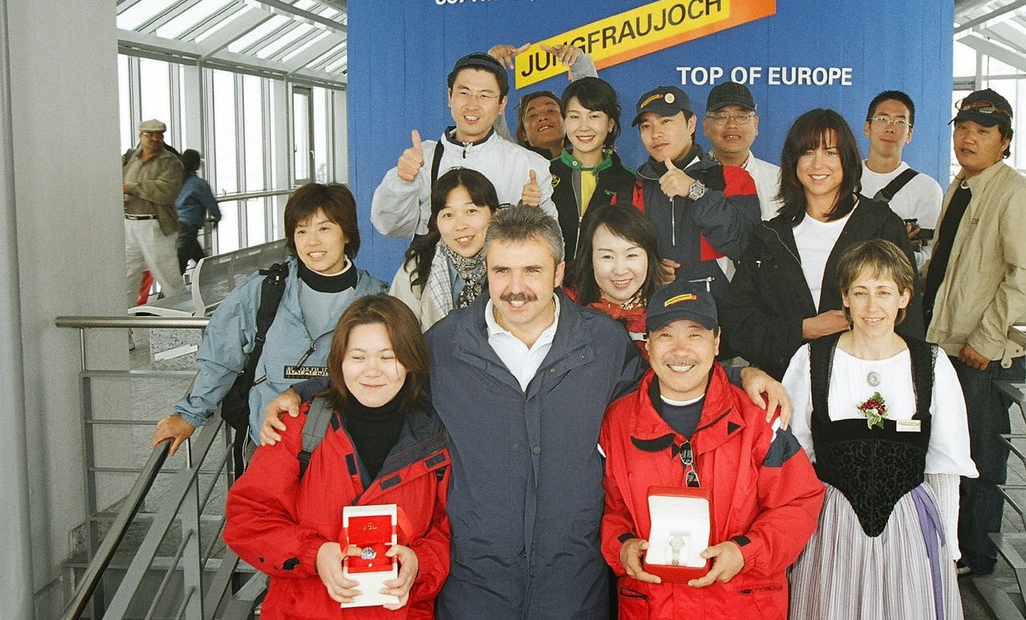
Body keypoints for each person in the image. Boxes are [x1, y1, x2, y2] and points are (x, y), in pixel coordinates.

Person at [262, 205, 791, 620]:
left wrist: (746, 370)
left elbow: (677, 373)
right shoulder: (446, 346)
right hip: (474, 586)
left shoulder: (603, 344)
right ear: (485, 270)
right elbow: (380, 379)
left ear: (560, 271)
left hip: (573, 587)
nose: (516, 287)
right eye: (502, 270)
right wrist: (305, 395)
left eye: (532, 270)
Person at [599, 280, 825, 619]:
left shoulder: (758, 417)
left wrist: (746, 553)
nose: (680, 350)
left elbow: (799, 501)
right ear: (647, 345)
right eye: (665, 335)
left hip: (742, 605)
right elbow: (610, 511)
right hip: (653, 606)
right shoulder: (618, 422)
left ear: (716, 341)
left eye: (695, 334)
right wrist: (623, 548)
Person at [782, 239, 976, 619]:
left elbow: (944, 466)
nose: (872, 307)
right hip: (829, 527)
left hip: (909, 527)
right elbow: (793, 458)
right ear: (845, 298)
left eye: (884, 292)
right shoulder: (812, 360)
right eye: (861, 292)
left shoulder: (931, 364)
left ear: (904, 297)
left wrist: (949, 548)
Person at [224, 294, 450, 618]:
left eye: (388, 357)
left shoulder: (436, 439)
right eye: (358, 357)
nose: (372, 371)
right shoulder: (301, 427)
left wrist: (420, 563)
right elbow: (246, 518)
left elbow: (450, 530)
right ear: (339, 362)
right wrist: (314, 555)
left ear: (410, 361)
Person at [151, 183, 388, 456]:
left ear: (346, 234)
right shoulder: (265, 290)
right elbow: (222, 355)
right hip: (270, 443)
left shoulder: (375, 297)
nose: (312, 242)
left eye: (324, 228)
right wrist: (190, 414)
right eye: (301, 231)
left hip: (345, 450)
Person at [922, 89, 1026, 577]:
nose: (968, 138)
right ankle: (950, 545)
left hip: (981, 354)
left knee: (982, 456)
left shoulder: (1015, 194)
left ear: (1005, 142)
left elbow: (1024, 275)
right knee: (947, 449)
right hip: (946, 345)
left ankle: (977, 554)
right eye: (962, 128)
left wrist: (987, 340)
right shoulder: (962, 186)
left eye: (983, 132)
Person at [722, 108, 923, 380]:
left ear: (848, 159)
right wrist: (804, 329)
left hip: (868, 388)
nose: (818, 164)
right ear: (793, 162)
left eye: (830, 152)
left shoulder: (882, 226)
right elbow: (740, 326)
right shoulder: (769, 236)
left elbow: (909, 318)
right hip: (786, 391)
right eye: (807, 152)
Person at [370, 52, 556, 242]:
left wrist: (533, 212)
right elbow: (391, 227)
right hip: (431, 271)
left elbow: (552, 245)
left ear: (502, 104)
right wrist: (403, 182)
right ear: (450, 97)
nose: (472, 105)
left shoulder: (529, 165)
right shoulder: (424, 157)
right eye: (464, 93)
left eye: (485, 95)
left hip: (499, 271)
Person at [627, 85, 760, 299]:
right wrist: (647, 269)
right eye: (646, 126)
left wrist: (695, 191)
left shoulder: (732, 178)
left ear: (691, 124)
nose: (656, 133)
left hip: (721, 318)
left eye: (666, 121)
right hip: (655, 320)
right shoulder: (630, 189)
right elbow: (615, 260)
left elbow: (745, 246)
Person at [389, 168, 499, 330]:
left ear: (495, 215)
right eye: (448, 215)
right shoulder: (419, 267)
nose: (460, 225)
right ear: (436, 221)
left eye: (471, 211)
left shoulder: (511, 264)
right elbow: (399, 335)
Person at [551, 75, 637, 263]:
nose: (584, 127)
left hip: (607, 286)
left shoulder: (629, 180)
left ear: (610, 124)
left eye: (594, 116)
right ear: (564, 121)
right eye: (574, 116)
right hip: (551, 287)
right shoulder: (543, 173)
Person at [858, 90, 944, 272]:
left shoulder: (927, 189)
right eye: (882, 119)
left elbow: (928, 258)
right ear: (867, 128)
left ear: (909, 134)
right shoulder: (843, 179)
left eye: (900, 122)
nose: (890, 128)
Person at [566, 203, 665, 354]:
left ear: (649, 258)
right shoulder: (564, 309)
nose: (620, 270)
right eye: (607, 256)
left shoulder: (668, 313)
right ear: (590, 259)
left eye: (631, 255)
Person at [489, 41, 598, 158]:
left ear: (568, 123)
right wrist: (490, 67)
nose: (543, 117)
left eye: (551, 111)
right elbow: (490, 123)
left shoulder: (591, 159)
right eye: (532, 115)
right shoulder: (512, 165)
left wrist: (578, 62)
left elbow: (591, 107)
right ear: (524, 133)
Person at [122, 118, 185, 306]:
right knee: (127, 277)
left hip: (155, 225)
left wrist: (132, 188)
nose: (154, 139)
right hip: (129, 224)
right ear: (140, 136)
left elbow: (166, 191)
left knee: (167, 275)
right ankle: (123, 322)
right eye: (149, 134)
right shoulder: (131, 159)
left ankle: (183, 321)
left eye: (159, 135)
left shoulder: (170, 162)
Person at [703, 80, 781, 220]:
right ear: (706, 126)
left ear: (756, 124)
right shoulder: (688, 179)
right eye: (722, 117)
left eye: (741, 116)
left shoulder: (780, 181)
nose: (732, 124)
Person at [175, 148, 222, 276]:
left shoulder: (178, 181)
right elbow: (210, 202)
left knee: (200, 258)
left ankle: (210, 282)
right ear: (196, 164)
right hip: (189, 225)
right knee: (181, 263)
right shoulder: (198, 184)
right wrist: (217, 216)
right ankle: (164, 296)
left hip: (177, 223)